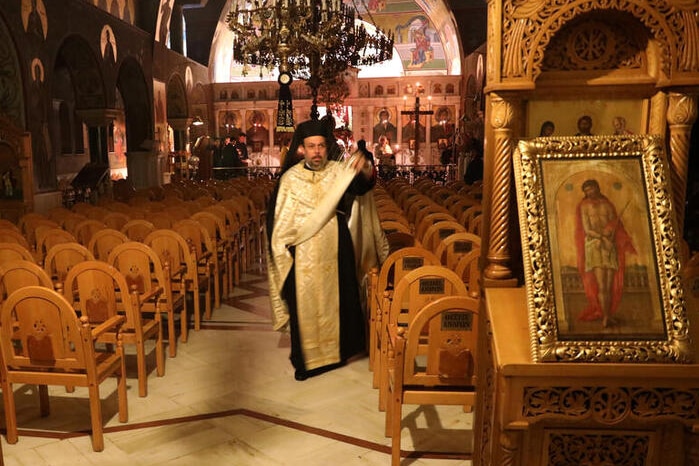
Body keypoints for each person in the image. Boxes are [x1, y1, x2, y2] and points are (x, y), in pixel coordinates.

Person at [266, 119, 375, 381]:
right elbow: (276, 220)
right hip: (301, 254)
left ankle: (336, 354)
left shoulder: (340, 172)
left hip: (335, 246)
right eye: (311, 146)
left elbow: (362, 186)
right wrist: (283, 251)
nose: (316, 151)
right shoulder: (290, 179)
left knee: (339, 297)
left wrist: (365, 167)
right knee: (302, 303)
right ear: (301, 148)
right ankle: (306, 361)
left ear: (327, 148)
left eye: (321, 146)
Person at [575, 179, 636, 327]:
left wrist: (609, 233)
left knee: (609, 285)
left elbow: (613, 225)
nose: (590, 192)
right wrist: (602, 239)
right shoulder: (584, 207)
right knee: (601, 285)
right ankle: (604, 316)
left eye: (592, 189)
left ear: (598, 188)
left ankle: (608, 315)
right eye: (587, 190)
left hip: (609, 246)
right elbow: (587, 229)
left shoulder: (608, 206)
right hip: (595, 245)